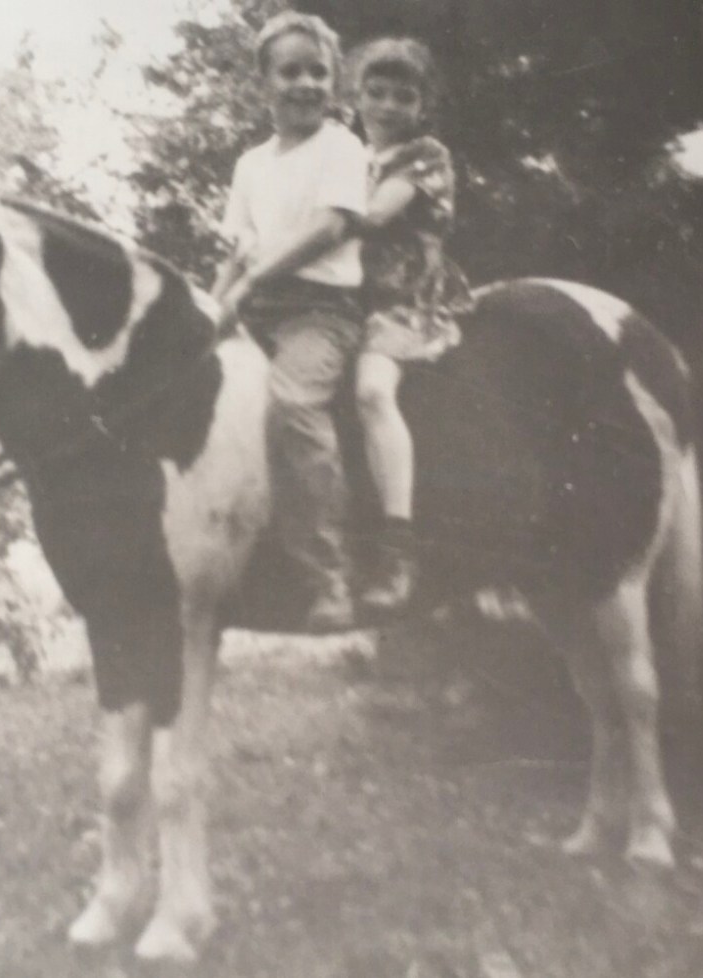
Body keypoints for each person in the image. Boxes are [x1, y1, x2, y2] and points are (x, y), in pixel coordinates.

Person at [213, 11, 368, 631]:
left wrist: (249, 282)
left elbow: (329, 227)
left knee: (293, 403)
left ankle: (330, 574)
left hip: (320, 310)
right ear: (264, 83)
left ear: (334, 83)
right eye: (290, 72)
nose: (305, 84)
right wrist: (209, 307)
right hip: (256, 310)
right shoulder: (251, 165)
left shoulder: (342, 147)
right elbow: (238, 251)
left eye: (319, 72)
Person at [350, 37, 474, 611]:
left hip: (404, 296)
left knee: (374, 391)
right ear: (356, 95)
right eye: (376, 92)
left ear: (421, 106)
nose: (387, 105)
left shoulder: (424, 154)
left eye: (404, 96)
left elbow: (375, 214)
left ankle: (398, 543)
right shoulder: (348, 153)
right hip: (347, 294)